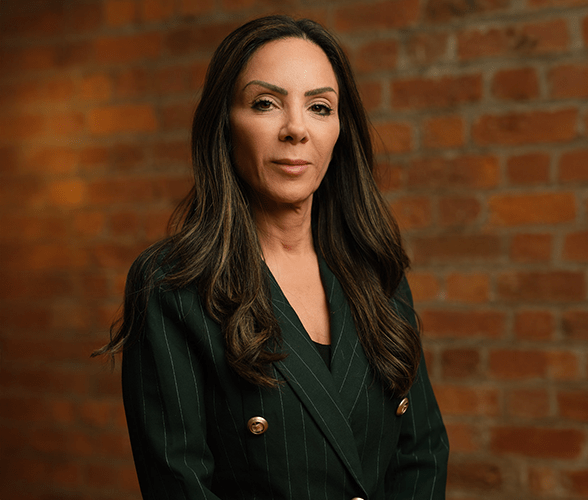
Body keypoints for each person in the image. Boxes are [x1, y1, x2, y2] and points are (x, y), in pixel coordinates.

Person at [95, 15, 449, 500]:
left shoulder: (376, 272)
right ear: (225, 123)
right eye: (266, 103)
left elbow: (422, 453)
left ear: (340, 129)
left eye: (320, 107)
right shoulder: (171, 285)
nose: (296, 129)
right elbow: (181, 485)